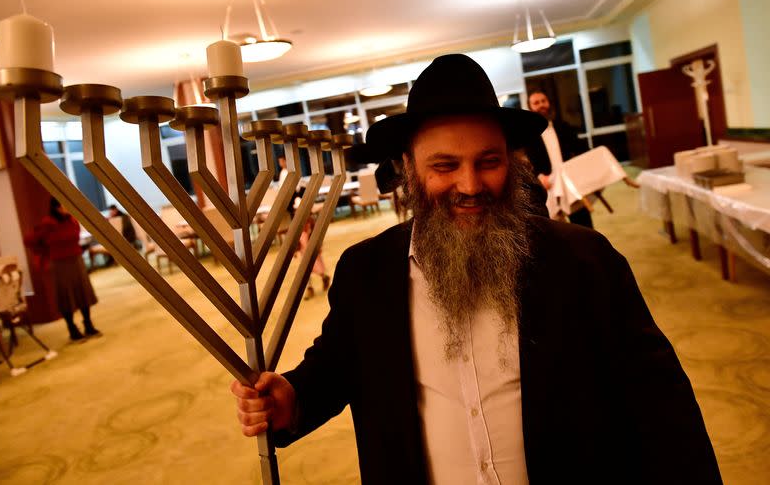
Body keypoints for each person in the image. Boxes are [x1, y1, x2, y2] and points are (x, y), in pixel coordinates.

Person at [230, 55, 721, 484]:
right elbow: (338, 364)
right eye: (444, 166)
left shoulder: (587, 262)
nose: (470, 184)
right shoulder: (366, 273)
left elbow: (665, 411)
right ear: (409, 168)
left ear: (512, 161)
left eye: (488, 161)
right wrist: (294, 396)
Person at [26, 197, 101, 341]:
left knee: (82, 293)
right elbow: (30, 240)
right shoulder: (48, 223)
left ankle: (88, 324)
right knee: (66, 297)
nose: (67, 207)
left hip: (76, 260)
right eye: (65, 205)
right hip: (60, 263)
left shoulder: (72, 219)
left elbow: (75, 235)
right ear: (57, 207)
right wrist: (45, 251)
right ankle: (72, 328)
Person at [525, 90, 594, 228]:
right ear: (530, 107)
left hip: (570, 183)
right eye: (536, 103)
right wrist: (538, 177)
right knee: (556, 230)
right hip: (547, 187)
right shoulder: (528, 134)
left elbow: (582, 150)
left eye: (543, 101)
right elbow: (525, 162)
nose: (541, 105)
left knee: (584, 227)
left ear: (549, 103)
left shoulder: (564, 127)